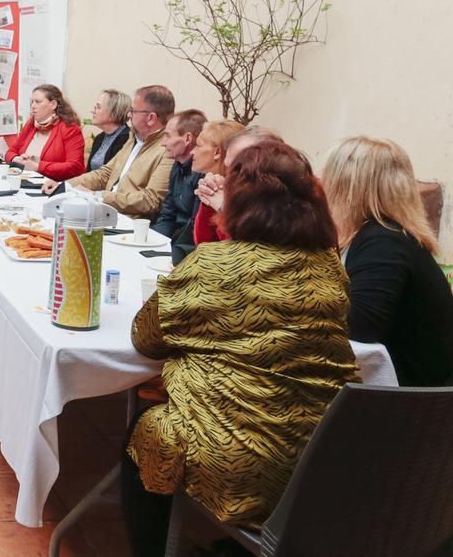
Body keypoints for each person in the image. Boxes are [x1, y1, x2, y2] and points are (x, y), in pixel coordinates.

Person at [122, 141, 359, 556]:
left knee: (149, 428)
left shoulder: (215, 264)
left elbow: (146, 338)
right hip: (325, 454)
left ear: (242, 201)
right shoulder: (328, 266)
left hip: (242, 462)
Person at [322, 137, 453, 387]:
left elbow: (357, 334)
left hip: (412, 405)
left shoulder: (384, 242)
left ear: (345, 187)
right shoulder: (391, 235)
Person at [48, 85, 175, 220]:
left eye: (133, 111)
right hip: (105, 212)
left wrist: (98, 196)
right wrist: (65, 185)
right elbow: (105, 173)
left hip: (129, 223)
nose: (128, 114)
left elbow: (150, 200)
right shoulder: (134, 138)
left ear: (151, 118)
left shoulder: (167, 150)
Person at [193, 125, 280, 245]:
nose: (230, 177)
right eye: (228, 168)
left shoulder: (280, 207)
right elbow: (204, 246)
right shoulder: (233, 191)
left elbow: (244, 256)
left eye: (238, 170)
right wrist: (208, 199)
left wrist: (226, 209)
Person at [149, 109, 206, 263]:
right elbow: (168, 213)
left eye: (167, 136)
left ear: (187, 138)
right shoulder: (177, 164)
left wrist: (168, 257)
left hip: (187, 251)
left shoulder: (203, 174)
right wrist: (151, 245)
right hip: (172, 243)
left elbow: (193, 228)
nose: (162, 143)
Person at [3, 84, 85, 180]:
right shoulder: (30, 125)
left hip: (54, 186)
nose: (33, 106)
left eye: (38, 102)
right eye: (32, 102)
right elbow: (10, 152)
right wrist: (17, 159)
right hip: (26, 182)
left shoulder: (70, 129)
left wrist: (37, 166)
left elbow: (74, 167)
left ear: (53, 104)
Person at [86, 89, 131, 171]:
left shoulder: (126, 139)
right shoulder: (99, 138)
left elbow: (113, 175)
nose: (93, 111)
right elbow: (88, 173)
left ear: (113, 114)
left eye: (98, 107)